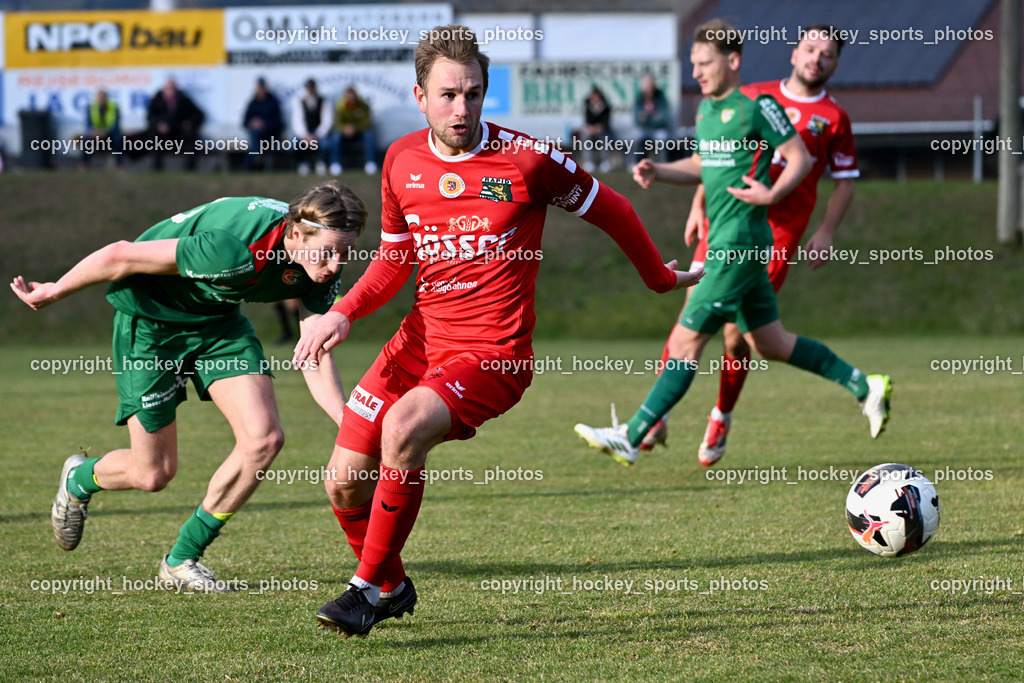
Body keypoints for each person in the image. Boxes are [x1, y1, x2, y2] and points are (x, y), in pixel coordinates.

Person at [291, 24, 704, 637]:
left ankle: (364, 591)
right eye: (448, 95)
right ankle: (391, 585)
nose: (462, 109)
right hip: (419, 340)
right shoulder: (401, 160)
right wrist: (342, 311)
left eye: (473, 94)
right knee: (344, 482)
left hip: (492, 353)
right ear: (420, 97)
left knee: (402, 430)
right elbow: (396, 257)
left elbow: (613, 208)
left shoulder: (527, 161)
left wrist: (659, 279)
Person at [10, 181, 366, 592]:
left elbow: (314, 349)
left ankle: (181, 559)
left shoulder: (320, 260)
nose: (336, 265)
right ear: (296, 234)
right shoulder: (233, 248)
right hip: (151, 324)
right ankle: (79, 479)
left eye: (346, 253)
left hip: (218, 324)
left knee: (264, 440)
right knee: (153, 473)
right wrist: (55, 290)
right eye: (328, 253)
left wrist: (348, 422)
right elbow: (120, 256)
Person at [573, 19, 891, 467]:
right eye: (694, 64)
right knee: (770, 343)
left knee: (686, 341)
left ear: (733, 61)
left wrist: (775, 196)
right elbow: (706, 164)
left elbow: (800, 159)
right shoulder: (708, 110)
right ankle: (864, 385)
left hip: (738, 244)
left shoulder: (759, 106)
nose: (696, 73)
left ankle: (635, 433)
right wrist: (659, 172)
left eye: (705, 63)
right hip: (726, 237)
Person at [639, 24, 861, 466]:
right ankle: (656, 416)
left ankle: (720, 414)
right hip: (723, 223)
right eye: (810, 49)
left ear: (835, 65)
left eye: (827, 54)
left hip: (774, 237)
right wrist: (698, 205)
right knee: (691, 313)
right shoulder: (754, 96)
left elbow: (844, 181)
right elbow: (717, 158)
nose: (816, 58)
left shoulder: (833, 118)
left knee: (738, 337)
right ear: (794, 53)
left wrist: (825, 231)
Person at [145, 78, 205, 171]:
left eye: (172, 88)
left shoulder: (183, 99)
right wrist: (159, 124)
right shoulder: (157, 100)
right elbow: (150, 116)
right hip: (163, 132)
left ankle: (190, 167)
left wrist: (189, 122)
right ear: (164, 89)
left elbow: (199, 114)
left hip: (179, 130)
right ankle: (157, 167)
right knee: (154, 134)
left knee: (190, 133)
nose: (171, 91)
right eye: (168, 88)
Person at [328, 86, 378, 175]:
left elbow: (367, 122)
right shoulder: (340, 107)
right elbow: (337, 123)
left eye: (353, 98)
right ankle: (335, 163)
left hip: (359, 133)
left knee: (369, 135)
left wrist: (355, 128)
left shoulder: (362, 105)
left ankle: (370, 162)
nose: (351, 100)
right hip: (344, 134)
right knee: (335, 137)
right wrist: (345, 128)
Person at [292, 78, 333, 176]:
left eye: (312, 87)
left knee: (326, 144)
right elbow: (297, 121)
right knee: (293, 144)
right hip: (306, 134)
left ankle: (321, 162)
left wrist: (317, 135)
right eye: (308, 87)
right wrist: (305, 135)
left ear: (315, 88)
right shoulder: (300, 101)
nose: (310, 90)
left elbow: (327, 121)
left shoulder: (324, 101)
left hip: (318, 133)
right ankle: (302, 163)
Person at [242, 77, 284, 171]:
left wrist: (264, 124)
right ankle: (256, 159)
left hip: (270, 136)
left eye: (262, 87)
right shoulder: (253, 103)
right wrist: (252, 123)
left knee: (255, 140)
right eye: (259, 87)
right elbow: (245, 122)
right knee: (255, 136)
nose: (260, 90)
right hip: (256, 136)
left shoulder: (273, 102)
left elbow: (278, 123)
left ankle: (250, 164)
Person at [81, 89, 123, 169]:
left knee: (118, 139)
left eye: (103, 97)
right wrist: (93, 131)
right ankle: (85, 164)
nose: (101, 99)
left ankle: (120, 164)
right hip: (95, 133)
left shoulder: (113, 107)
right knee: (86, 139)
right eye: (100, 97)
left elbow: (116, 124)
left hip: (109, 133)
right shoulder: (91, 107)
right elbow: (88, 123)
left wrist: (106, 131)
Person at [634, 73, 671, 161]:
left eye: (650, 84)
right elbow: (637, 118)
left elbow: (664, 117)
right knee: (639, 137)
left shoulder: (661, 98)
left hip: (658, 128)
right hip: (644, 129)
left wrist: (650, 118)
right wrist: (650, 116)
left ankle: (663, 163)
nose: (649, 87)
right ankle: (639, 163)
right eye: (647, 84)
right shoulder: (639, 99)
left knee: (662, 137)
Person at [581, 85, 613, 173]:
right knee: (585, 137)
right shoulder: (588, 107)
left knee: (606, 138)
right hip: (591, 133)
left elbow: (605, 124)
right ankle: (589, 162)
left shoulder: (605, 108)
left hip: (603, 132)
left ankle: (605, 162)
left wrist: (598, 128)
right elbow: (587, 122)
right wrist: (591, 129)